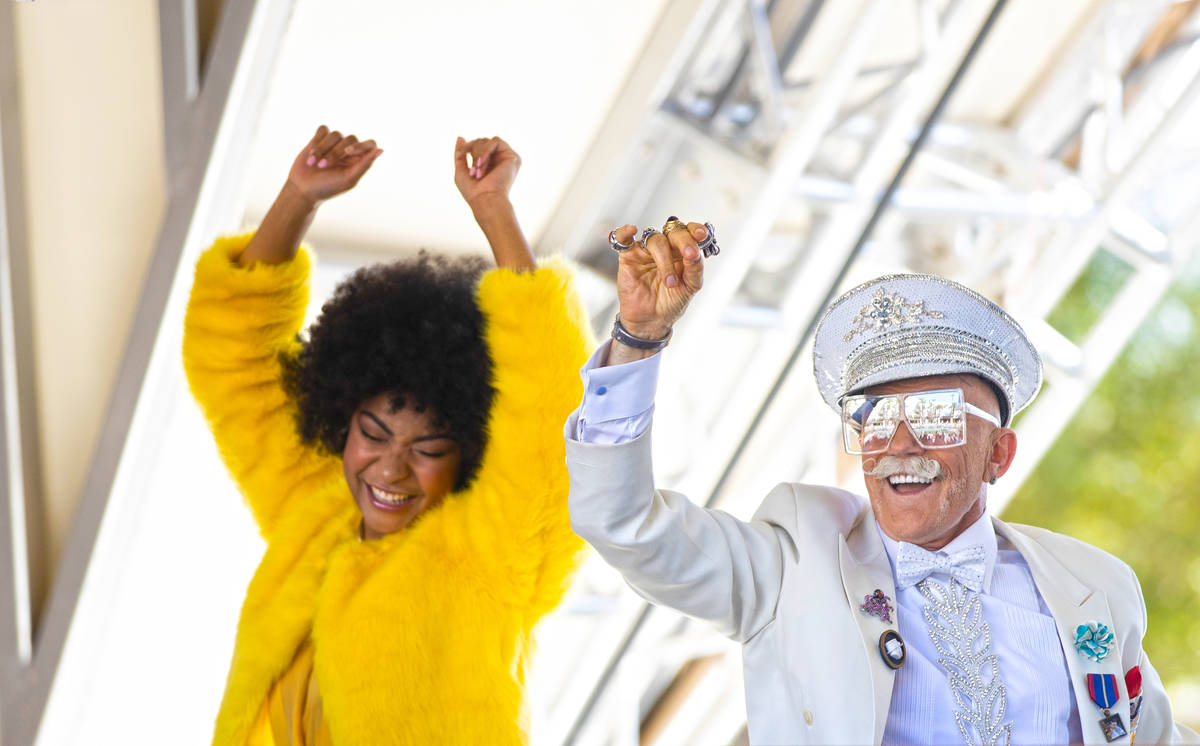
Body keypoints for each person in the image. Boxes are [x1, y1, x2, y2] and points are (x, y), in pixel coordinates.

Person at [564, 220, 1199, 744]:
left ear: (999, 454)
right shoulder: (796, 557)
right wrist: (637, 339)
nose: (898, 443)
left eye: (935, 415)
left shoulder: (1095, 585)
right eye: (874, 417)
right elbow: (625, 524)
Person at [183, 126, 591, 745]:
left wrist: (494, 212)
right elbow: (231, 358)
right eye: (373, 433)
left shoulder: (488, 558)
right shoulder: (315, 513)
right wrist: (298, 197)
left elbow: (550, 419)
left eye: (427, 449)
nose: (390, 469)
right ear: (339, 417)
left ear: (469, 454)